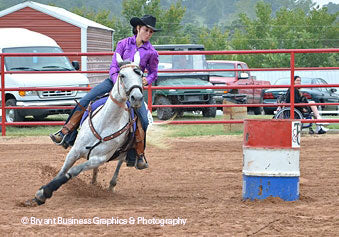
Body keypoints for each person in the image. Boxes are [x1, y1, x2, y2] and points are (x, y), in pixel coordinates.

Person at [50, 14, 160, 169]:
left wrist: (146, 80)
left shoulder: (152, 52)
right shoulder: (123, 44)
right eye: (146, 30)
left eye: (151, 32)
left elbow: (154, 73)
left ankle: (138, 154)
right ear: (138, 28)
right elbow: (114, 66)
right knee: (86, 99)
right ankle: (66, 132)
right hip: (114, 82)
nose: (148, 34)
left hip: (133, 88)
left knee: (144, 119)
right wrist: (118, 83)